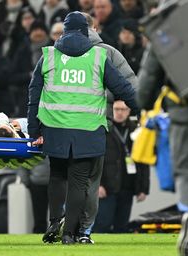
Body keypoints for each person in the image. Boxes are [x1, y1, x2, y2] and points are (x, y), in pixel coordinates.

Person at [28, 11, 138, 244]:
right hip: (89, 130)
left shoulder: (48, 56)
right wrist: (140, 108)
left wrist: (34, 131)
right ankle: (71, 233)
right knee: (80, 182)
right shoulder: (98, 57)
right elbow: (123, 87)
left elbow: (33, 96)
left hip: (55, 128)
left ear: (65, 30)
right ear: (87, 30)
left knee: (57, 177)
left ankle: (54, 222)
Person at [136, 2, 188, 254]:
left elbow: (146, 85)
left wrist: (145, 102)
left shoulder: (167, 26)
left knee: (186, 171)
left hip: (184, 111)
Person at [93, 100, 149, 233]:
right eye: (117, 109)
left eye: (123, 109)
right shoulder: (104, 129)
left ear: (129, 111)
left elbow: (143, 161)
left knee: (122, 226)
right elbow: (95, 158)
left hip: (128, 185)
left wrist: (143, 188)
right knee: (102, 224)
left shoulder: (136, 130)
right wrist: (98, 184)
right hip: (107, 186)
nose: (119, 112)